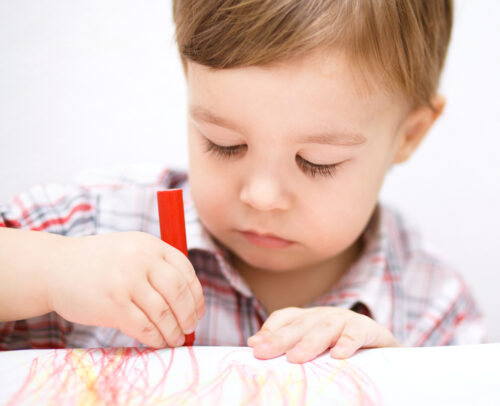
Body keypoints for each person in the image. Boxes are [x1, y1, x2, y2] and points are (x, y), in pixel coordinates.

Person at [0, 0, 484, 363]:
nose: (262, 196)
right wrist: (50, 271)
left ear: (410, 134)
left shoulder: (436, 311)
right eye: (224, 143)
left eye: (317, 161)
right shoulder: (91, 225)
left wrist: (399, 377)